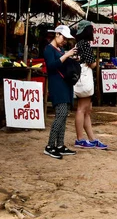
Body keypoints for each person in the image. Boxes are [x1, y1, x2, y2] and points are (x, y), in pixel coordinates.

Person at [43, 25, 78, 159]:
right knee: (61, 114)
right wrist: (67, 55)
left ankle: (60, 145)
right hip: (57, 85)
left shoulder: (61, 49)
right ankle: (50, 146)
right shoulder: (48, 49)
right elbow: (51, 66)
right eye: (63, 37)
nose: (64, 41)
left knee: (64, 115)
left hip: (66, 85)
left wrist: (70, 57)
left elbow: (63, 63)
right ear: (57, 35)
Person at [73, 21, 108, 150]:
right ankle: (80, 139)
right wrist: (95, 62)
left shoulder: (78, 44)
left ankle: (91, 138)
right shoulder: (85, 45)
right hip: (84, 78)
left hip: (81, 78)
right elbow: (92, 63)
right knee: (82, 109)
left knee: (87, 110)